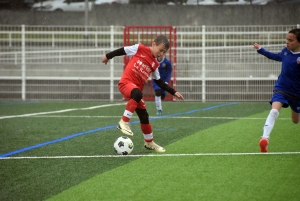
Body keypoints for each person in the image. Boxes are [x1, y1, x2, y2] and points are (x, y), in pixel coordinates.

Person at [102, 35, 184, 153]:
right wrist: (107, 56)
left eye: (164, 52)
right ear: (153, 44)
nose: (161, 54)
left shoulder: (155, 65)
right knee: (137, 93)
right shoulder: (139, 48)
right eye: (160, 50)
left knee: (144, 116)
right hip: (126, 84)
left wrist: (173, 91)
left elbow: (159, 82)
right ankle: (124, 122)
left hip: (136, 91)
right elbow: (123, 50)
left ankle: (149, 142)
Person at [253, 28, 300, 152]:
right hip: (282, 88)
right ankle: (265, 139)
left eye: (291, 40)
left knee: (296, 121)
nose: (287, 42)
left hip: (297, 93)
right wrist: (260, 50)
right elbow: (275, 56)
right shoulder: (285, 52)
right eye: (287, 39)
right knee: (274, 111)